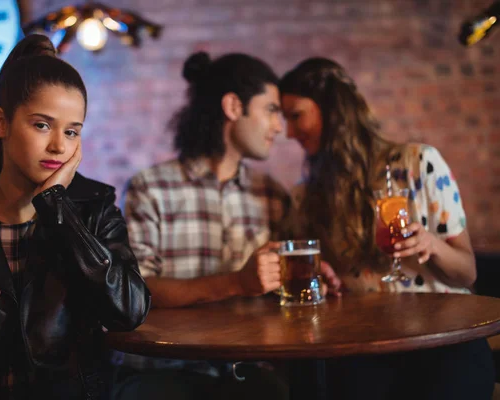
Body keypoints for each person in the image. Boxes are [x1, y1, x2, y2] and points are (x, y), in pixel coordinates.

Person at [0, 34, 150, 400]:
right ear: (2, 123)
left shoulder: (94, 208)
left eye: (71, 131)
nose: (58, 145)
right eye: (42, 125)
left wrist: (56, 206)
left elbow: (129, 311)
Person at [115, 51, 339, 400]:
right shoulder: (152, 188)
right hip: (163, 370)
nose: (280, 127)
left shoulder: (272, 196)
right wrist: (237, 282)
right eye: (271, 110)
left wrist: (310, 279)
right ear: (234, 107)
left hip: (245, 373)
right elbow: (138, 292)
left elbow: (282, 290)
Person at [279, 57, 494, 400]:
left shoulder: (418, 163)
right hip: (363, 347)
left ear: (333, 110)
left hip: (443, 340)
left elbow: (466, 274)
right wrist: (324, 276)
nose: (288, 132)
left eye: (296, 115)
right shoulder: (307, 194)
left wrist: (432, 245)